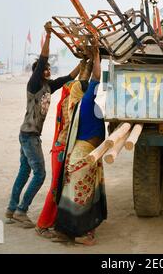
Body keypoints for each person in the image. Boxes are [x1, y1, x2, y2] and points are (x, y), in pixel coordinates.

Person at [5, 22, 86, 227]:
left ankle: (11, 209)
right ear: (39, 72)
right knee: (39, 174)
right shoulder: (33, 84)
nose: (48, 71)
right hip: (29, 135)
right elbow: (42, 60)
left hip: (30, 135)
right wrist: (48, 36)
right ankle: (21, 211)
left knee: (24, 172)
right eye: (46, 69)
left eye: (49, 69)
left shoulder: (49, 86)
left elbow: (69, 78)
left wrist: (85, 62)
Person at [53, 41, 106, 245]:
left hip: (76, 156)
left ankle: (64, 231)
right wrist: (97, 58)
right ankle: (83, 235)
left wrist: (89, 59)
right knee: (83, 197)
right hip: (84, 156)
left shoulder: (75, 104)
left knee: (71, 197)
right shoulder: (87, 103)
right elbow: (95, 78)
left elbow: (84, 79)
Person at [35, 59, 93, 238]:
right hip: (61, 150)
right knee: (56, 187)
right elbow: (80, 86)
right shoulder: (71, 106)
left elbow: (73, 79)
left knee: (62, 187)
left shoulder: (66, 100)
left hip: (61, 148)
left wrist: (86, 64)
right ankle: (42, 225)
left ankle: (56, 223)